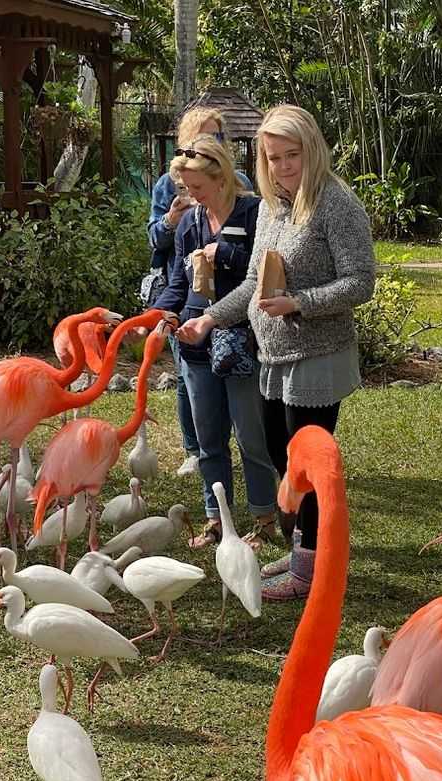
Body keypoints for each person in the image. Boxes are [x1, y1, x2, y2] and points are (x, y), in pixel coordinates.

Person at [177, 105, 376, 601]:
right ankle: (303, 550)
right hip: (273, 356)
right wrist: (211, 317)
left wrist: (300, 303)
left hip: (317, 355)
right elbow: (250, 282)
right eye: (273, 158)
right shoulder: (271, 205)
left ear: (312, 150)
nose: (284, 167)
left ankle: (310, 573)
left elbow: (360, 282)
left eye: (293, 156)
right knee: (281, 459)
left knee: (306, 467)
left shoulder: (336, 203)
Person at [150, 134, 278, 549]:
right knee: (208, 440)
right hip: (194, 341)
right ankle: (217, 520)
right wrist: (164, 314)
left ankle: (264, 519)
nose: (190, 195)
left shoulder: (255, 213)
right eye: (186, 188)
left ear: (221, 176)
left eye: (197, 187)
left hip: (240, 338)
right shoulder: (190, 220)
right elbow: (177, 282)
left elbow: (263, 274)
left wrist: (222, 253)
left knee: (251, 436)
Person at [147, 108, 252, 478]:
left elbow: (255, 249)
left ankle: (252, 467)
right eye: (202, 138)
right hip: (183, 290)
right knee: (190, 373)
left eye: (218, 138)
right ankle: (196, 449)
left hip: (232, 299)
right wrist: (173, 220)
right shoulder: (169, 184)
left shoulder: (241, 185)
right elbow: (156, 240)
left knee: (237, 386)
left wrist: (222, 249)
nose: (211, 144)